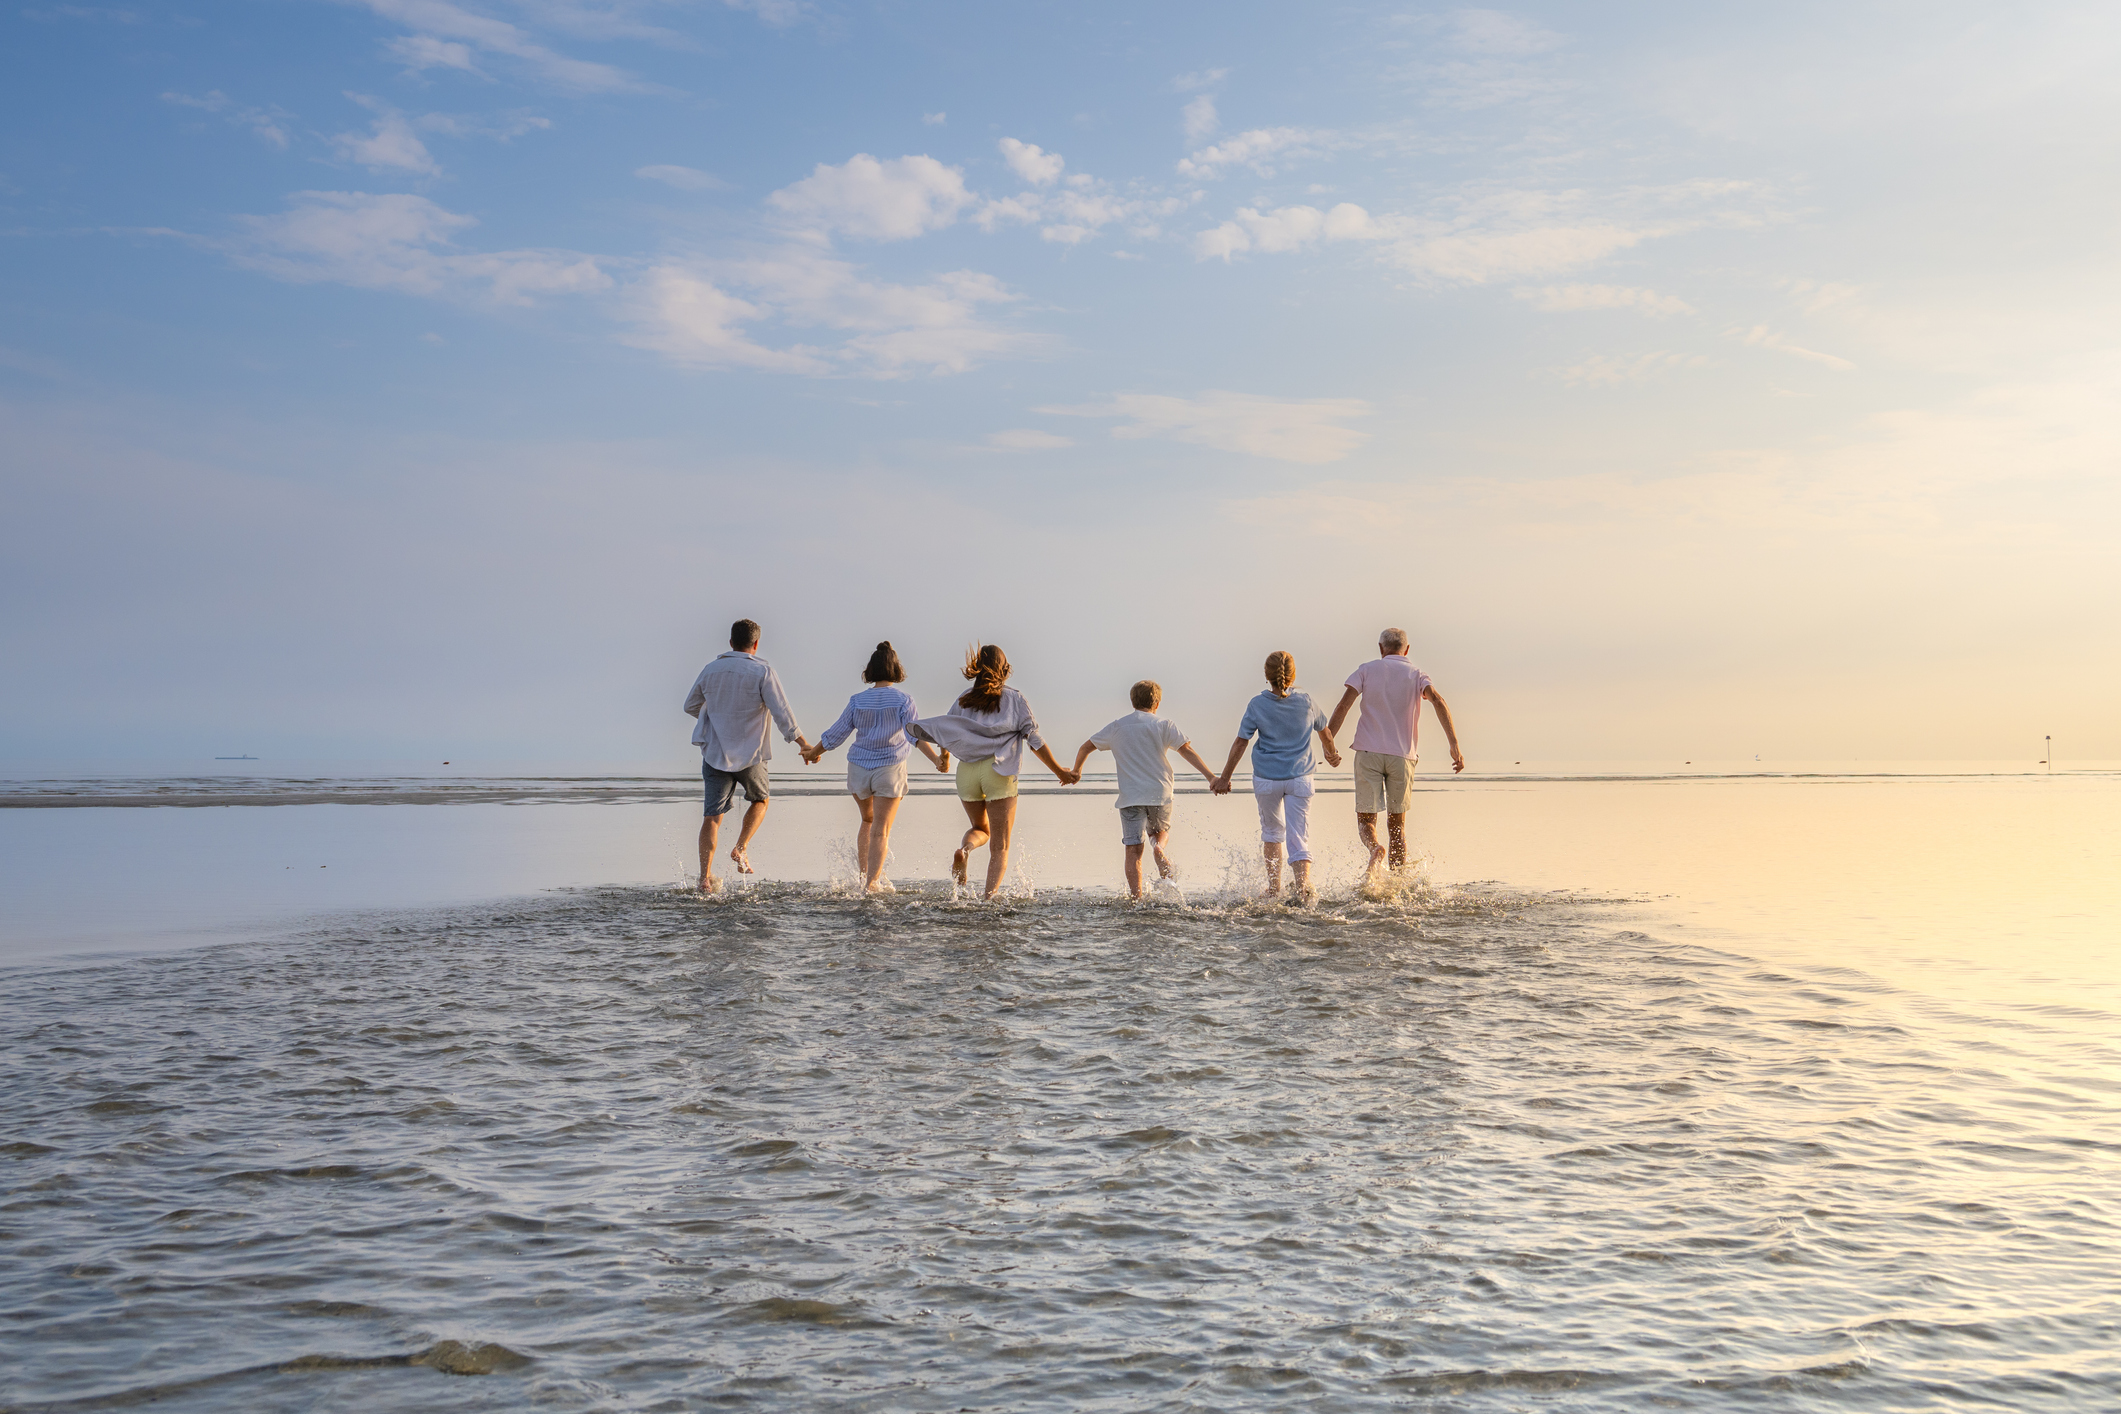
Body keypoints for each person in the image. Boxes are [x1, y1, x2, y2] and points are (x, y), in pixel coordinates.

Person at [906, 643, 1079, 898]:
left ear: (977, 668)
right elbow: (1034, 740)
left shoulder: (964, 699)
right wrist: (1058, 771)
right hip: (998, 770)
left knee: (980, 829)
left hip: (966, 773)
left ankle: (965, 850)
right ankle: (990, 897)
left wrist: (943, 759)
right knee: (1000, 846)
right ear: (1004, 669)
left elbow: (946, 732)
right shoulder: (1015, 698)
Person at [800, 641, 950, 893]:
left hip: (858, 768)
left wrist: (813, 752)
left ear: (870, 670)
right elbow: (914, 735)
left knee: (867, 820)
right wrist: (936, 760)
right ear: (896, 670)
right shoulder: (904, 699)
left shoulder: (857, 700)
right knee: (881, 830)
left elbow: (836, 735)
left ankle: (863, 878)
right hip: (889, 769)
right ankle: (871, 884)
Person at [682, 618, 810, 893]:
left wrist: (715, 717)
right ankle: (740, 848)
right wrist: (802, 743)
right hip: (751, 754)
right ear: (756, 644)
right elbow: (782, 713)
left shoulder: (711, 669)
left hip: (715, 753)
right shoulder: (763, 671)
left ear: (730, 642)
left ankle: (705, 878)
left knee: (712, 817)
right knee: (761, 800)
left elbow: (690, 705)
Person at [1324, 627, 1464, 875]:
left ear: (1381, 648)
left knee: (1367, 819)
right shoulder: (1417, 674)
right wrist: (1454, 745)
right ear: (1406, 649)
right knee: (1397, 825)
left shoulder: (1366, 669)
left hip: (1368, 753)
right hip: (1402, 757)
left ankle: (1375, 848)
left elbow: (1344, 704)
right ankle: (1398, 881)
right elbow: (1439, 701)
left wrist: (1329, 743)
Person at [1070, 680, 1224, 899]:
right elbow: (1186, 750)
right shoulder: (1164, 724)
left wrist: (1077, 771)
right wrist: (1211, 777)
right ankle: (1159, 847)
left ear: (1132, 702)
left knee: (1133, 850)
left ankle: (1136, 898)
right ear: (1157, 703)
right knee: (1159, 833)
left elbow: (1085, 747)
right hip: (1159, 793)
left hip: (1130, 797)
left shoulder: (1117, 726)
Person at [1215, 651, 1341, 903]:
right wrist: (1331, 754)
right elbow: (1325, 732)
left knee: (1272, 833)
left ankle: (1274, 889)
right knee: (1298, 836)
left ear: (1267, 676)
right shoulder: (1306, 701)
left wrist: (1224, 778)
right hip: (1300, 778)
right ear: (1293, 675)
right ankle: (1303, 889)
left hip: (1267, 779)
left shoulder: (1256, 704)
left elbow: (1241, 742)